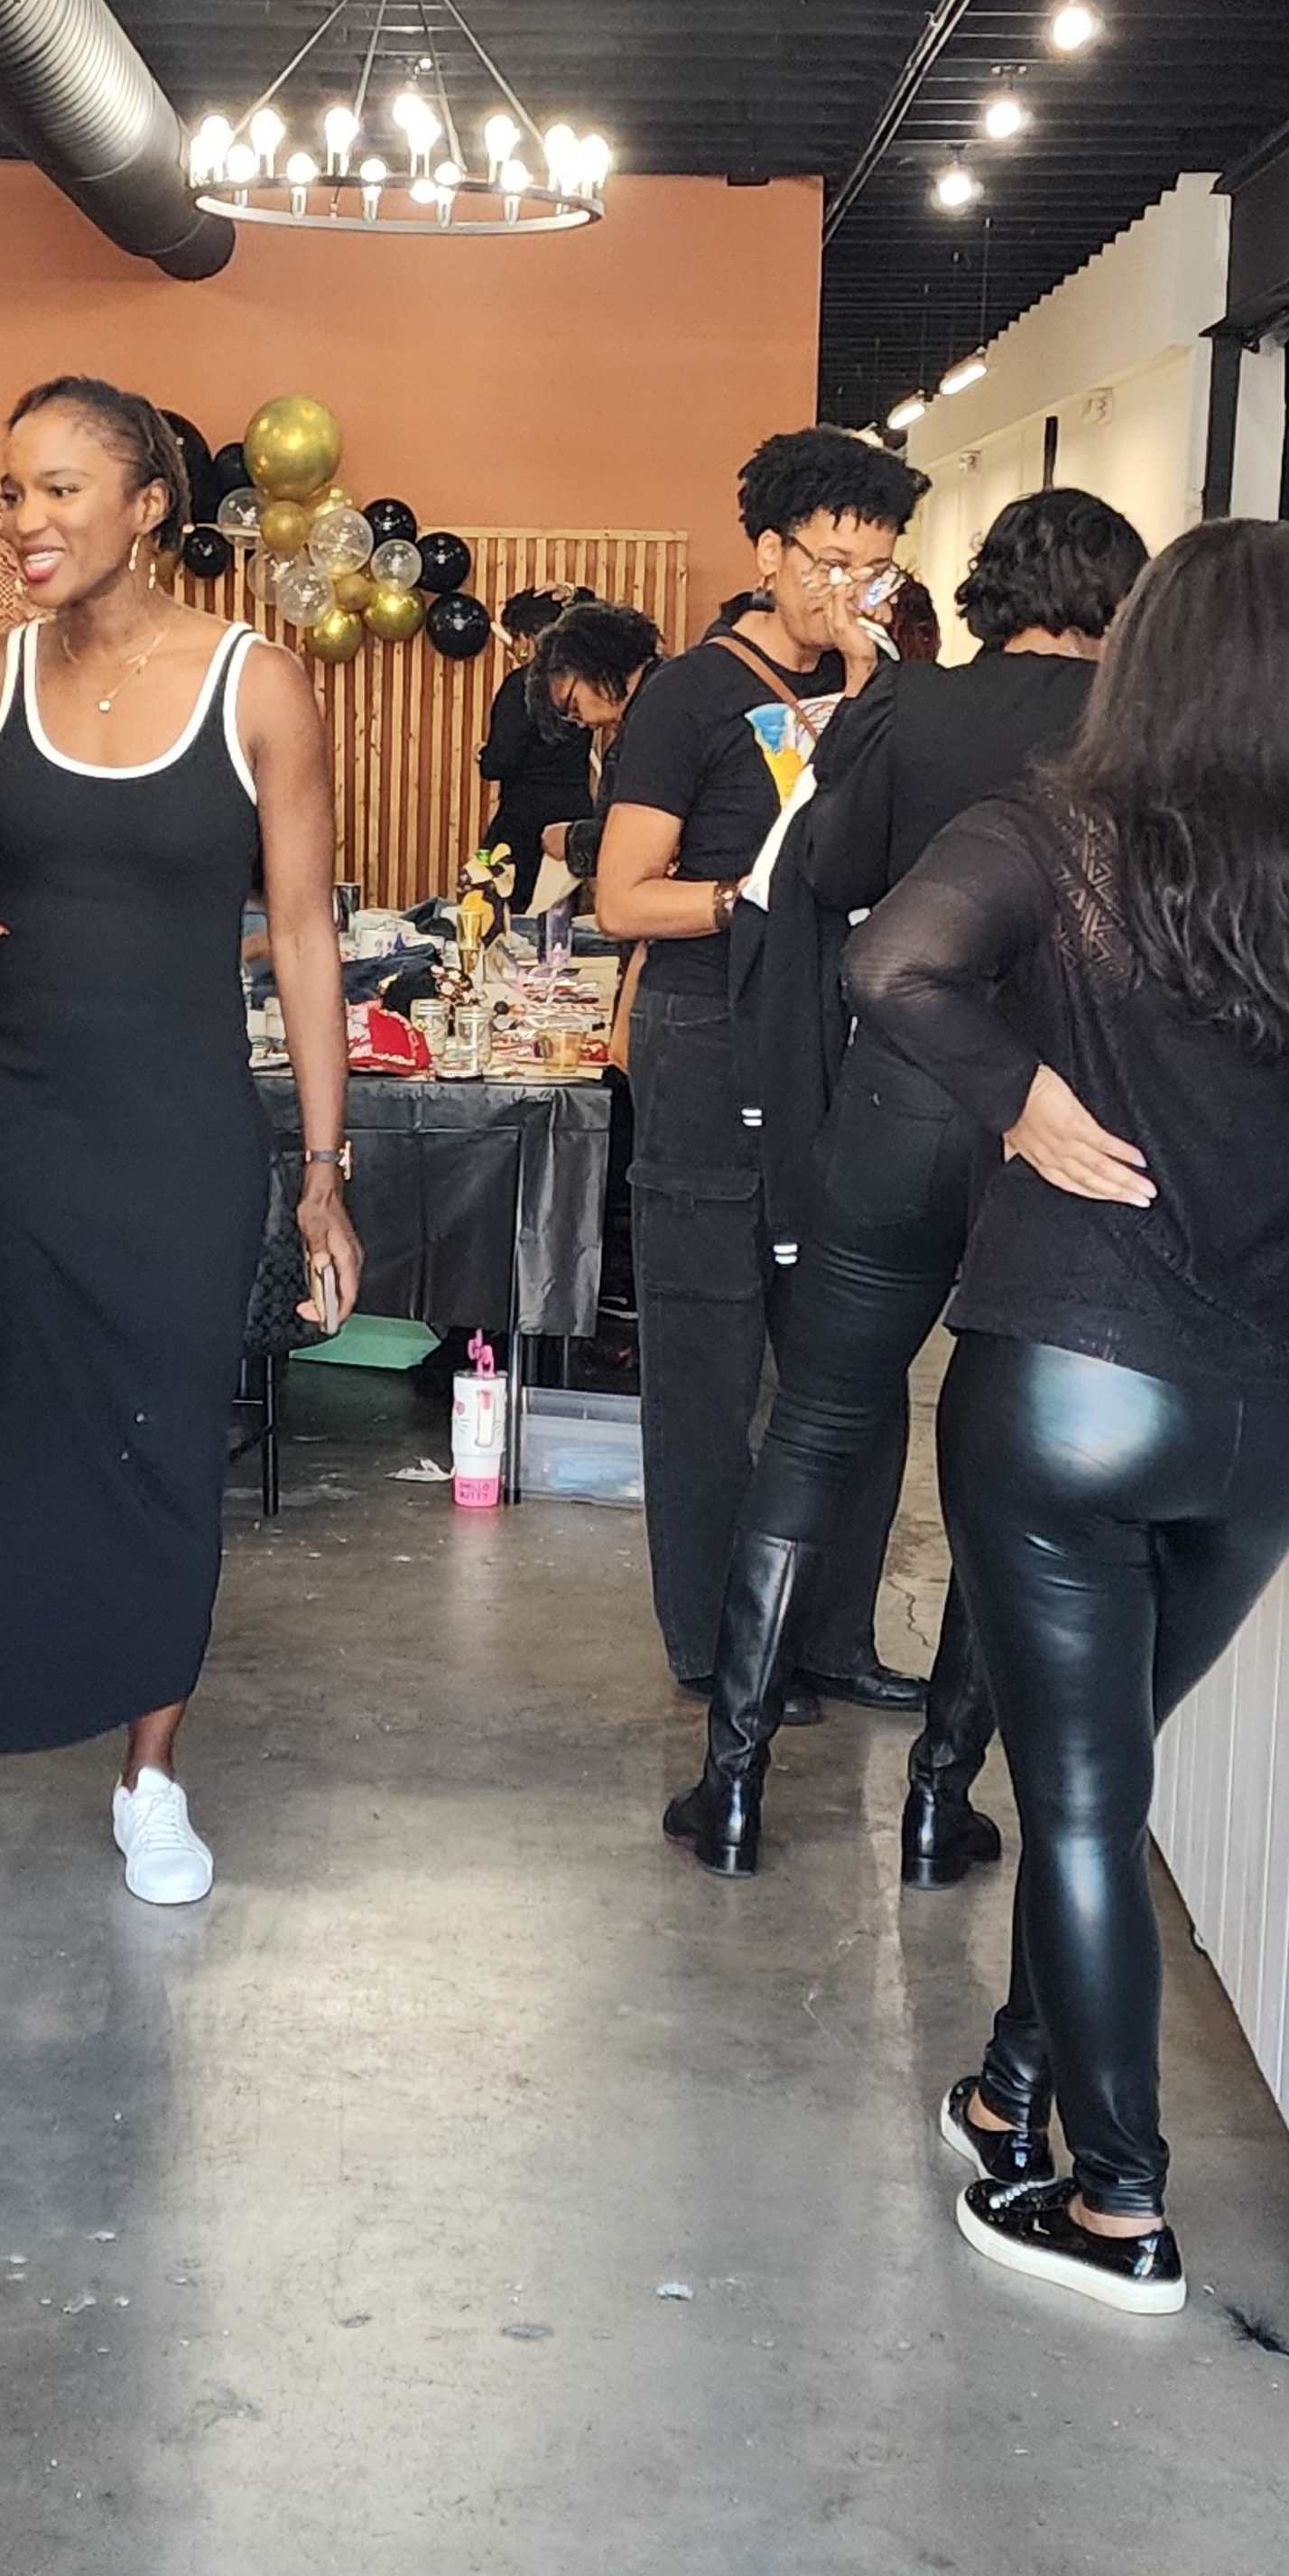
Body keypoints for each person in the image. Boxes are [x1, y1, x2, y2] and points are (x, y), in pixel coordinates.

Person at [851, 517, 1289, 2323]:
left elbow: (889, 964)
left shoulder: (1055, 832)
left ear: (1149, 654)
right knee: (1103, 1779)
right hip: (1266, 1421)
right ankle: (1015, 2086)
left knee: (1088, 1800)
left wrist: (1024, 1095)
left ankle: (1117, 2202)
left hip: (1072, 1385)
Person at [0, 375, 362, 1965]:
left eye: (64, 488)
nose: (28, 520)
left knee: (164, 1461)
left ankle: (150, 1782)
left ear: (148, 504)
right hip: (9, 1143)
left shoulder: (258, 684)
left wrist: (321, 1171)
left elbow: (303, 935)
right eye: (13, 489)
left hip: (181, 1142)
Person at [668, 487, 1150, 1879]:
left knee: (814, 1420)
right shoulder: (1143, 736)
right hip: (1057, 1126)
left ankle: (737, 1785)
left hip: (900, 1096)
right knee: (1006, 1468)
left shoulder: (910, 707)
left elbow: (826, 866)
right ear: (1120, 598)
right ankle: (942, 1799)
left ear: (991, 584)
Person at [589, 427, 930, 1709]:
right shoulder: (689, 694)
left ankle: (832, 1632)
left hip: (846, 1047)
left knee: (854, 1345)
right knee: (709, 1354)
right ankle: (722, 1643)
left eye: (878, 567)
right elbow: (623, 898)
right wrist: (755, 899)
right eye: (832, 561)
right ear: (768, 552)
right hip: (708, 1037)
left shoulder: (889, 685)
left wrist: (871, 680)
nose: (853, 588)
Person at [527, 601, 661, 897]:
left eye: (573, 705)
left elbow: (652, 833)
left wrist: (573, 841)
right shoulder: (650, 710)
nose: (582, 722)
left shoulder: (660, 714)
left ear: (593, 664)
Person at [478, 589, 593, 901]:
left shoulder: (522, 685)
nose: (515, 647)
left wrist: (483, 756)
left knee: (495, 909)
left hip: (523, 819)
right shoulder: (583, 680)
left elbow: (502, 759)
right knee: (560, 920)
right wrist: (576, 593)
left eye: (517, 637)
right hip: (574, 813)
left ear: (529, 638)